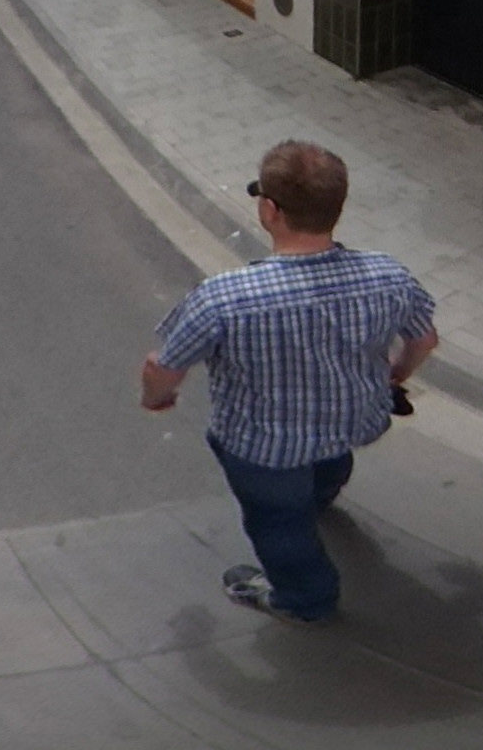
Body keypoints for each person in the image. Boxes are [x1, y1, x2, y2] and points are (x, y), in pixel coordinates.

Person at [143, 140, 440, 624]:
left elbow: (163, 369)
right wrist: (396, 374)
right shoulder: (388, 276)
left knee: (278, 523)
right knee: (328, 464)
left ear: (270, 210)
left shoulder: (223, 298)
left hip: (265, 447)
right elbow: (424, 340)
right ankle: (320, 496)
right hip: (351, 421)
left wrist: (157, 398)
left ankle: (306, 598)